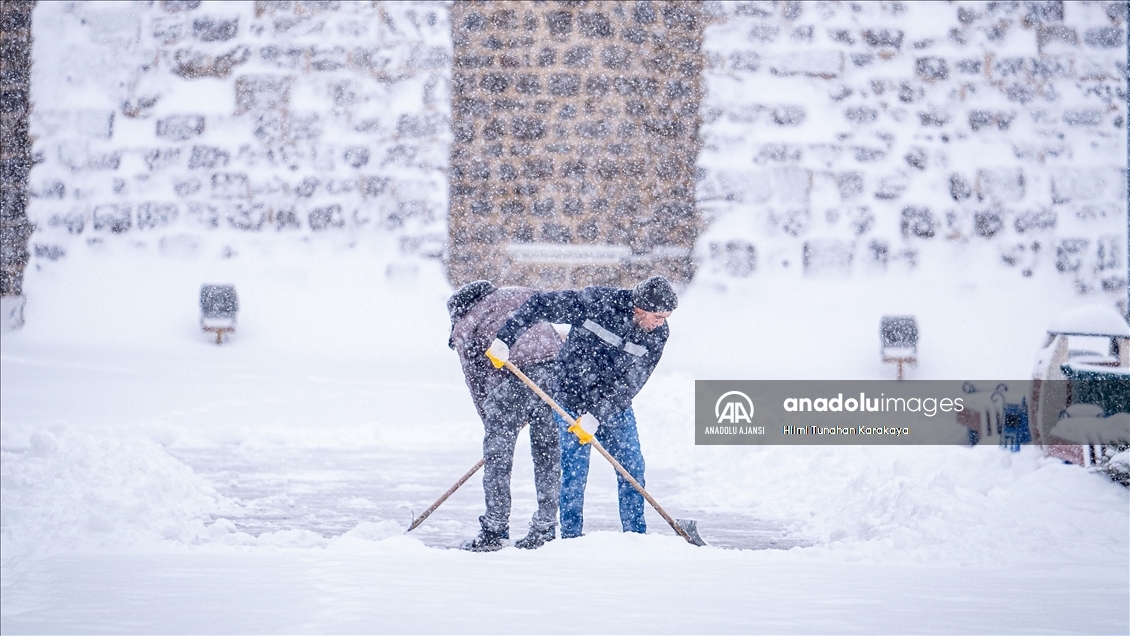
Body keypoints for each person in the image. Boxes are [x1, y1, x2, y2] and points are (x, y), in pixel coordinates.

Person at [486, 275, 677, 539]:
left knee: (632, 468)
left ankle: (636, 538)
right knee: (574, 474)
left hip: (612, 405)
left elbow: (633, 381)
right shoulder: (597, 303)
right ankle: (571, 538)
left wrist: (597, 415)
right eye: (657, 317)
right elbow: (540, 304)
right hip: (570, 398)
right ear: (639, 308)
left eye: (665, 318)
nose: (661, 324)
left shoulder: (657, 335)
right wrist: (504, 339)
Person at [447, 280, 563, 551]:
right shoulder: (520, 292)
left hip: (516, 378)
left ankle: (494, 529)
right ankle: (545, 529)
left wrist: (493, 425)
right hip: (557, 373)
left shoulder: (467, 320)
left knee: (498, 458)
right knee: (547, 454)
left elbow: (475, 378)